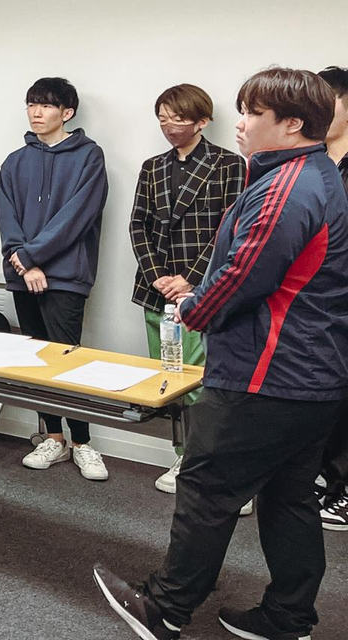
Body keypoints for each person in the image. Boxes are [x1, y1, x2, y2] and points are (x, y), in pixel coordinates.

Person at [94, 68, 348, 640]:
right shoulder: (317, 174)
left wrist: (192, 308)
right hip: (311, 377)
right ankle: (288, 618)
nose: (241, 122)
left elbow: (242, 276)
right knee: (289, 499)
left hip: (267, 376)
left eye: (254, 113)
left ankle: (164, 609)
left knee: (207, 489)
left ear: (292, 124)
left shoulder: (288, 188)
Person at [129, 84, 246, 493]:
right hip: (156, 288)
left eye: (178, 118)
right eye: (162, 118)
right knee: (167, 376)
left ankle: (203, 459)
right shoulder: (152, 166)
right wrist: (157, 275)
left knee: (201, 380)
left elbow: (230, 229)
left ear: (202, 121)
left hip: (203, 289)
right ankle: (182, 454)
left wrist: (191, 279)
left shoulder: (229, 164)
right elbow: (137, 224)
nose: (168, 126)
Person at [0, 76, 111, 481]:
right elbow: (7, 217)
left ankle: (83, 443)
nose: (36, 112)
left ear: (67, 112)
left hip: (65, 275)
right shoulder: (15, 161)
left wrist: (33, 257)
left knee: (66, 359)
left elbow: (76, 217)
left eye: (45, 105)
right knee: (37, 360)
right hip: (23, 275)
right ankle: (53, 438)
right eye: (31, 104)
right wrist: (24, 264)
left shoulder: (89, 157)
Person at [316, 65, 348, 531]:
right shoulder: (312, 163)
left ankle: (343, 489)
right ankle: (326, 478)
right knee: (326, 393)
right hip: (317, 301)